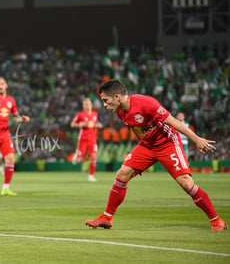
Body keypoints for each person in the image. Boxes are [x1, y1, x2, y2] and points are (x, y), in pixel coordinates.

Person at [85, 79, 227, 231]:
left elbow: (173, 121)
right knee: (122, 174)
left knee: (186, 183)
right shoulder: (119, 111)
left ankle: (216, 220)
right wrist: (138, 153)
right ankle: (107, 217)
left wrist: (196, 139)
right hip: (147, 146)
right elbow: (136, 128)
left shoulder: (146, 103)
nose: (105, 105)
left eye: (106, 101)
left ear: (117, 97)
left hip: (167, 143)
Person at [70, 98, 102, 181]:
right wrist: (80, 124)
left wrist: (98, 125)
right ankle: (77, 155)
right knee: (81, 160)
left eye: (88, 104)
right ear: (83, 106)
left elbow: (95, 123)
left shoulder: (95, 114)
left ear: (91, 105)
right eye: (85, 104)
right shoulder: (80, 115)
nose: (87, 105)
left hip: (92, 139)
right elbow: (72, 124)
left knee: (94, 157)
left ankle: (91, 176)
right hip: (83, 139)